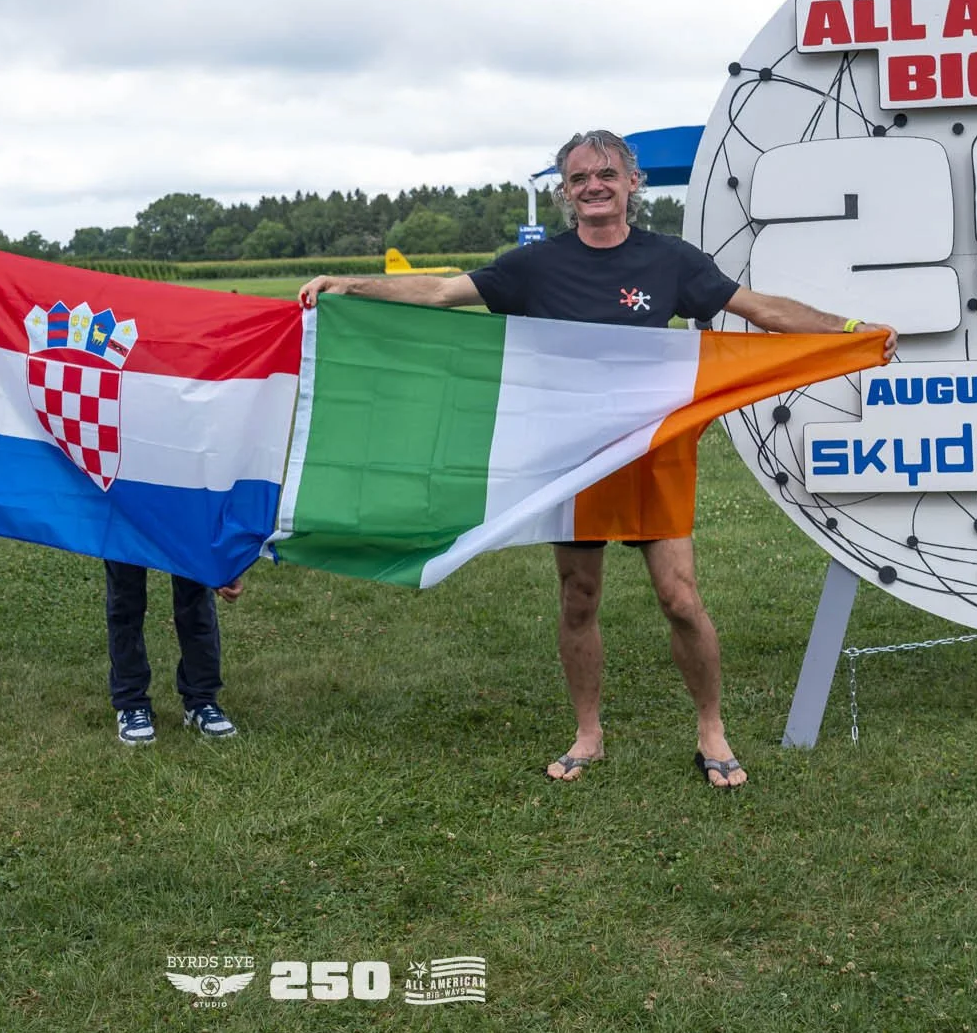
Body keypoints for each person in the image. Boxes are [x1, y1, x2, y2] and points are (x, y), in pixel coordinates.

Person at [299, 130, 894, 790]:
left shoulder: (670, 260)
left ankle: (711, 728)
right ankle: (589, 733)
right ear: (565, 191)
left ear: (631, 183)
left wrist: (847, 333)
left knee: (679, 597)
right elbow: (440, 294)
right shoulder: (535, 267)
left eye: (606, 174)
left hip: (652, 452)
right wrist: (347, 285)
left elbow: (759, 309)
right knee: (578, 597)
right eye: (579, 178)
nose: (593, 187)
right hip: (573, 458)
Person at [106, 562, 243, 745]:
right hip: (127, 532)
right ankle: (131, 705)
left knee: (195, 593)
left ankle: (201, 701)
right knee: (125, 596)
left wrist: (225, 566)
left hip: (187, 532)